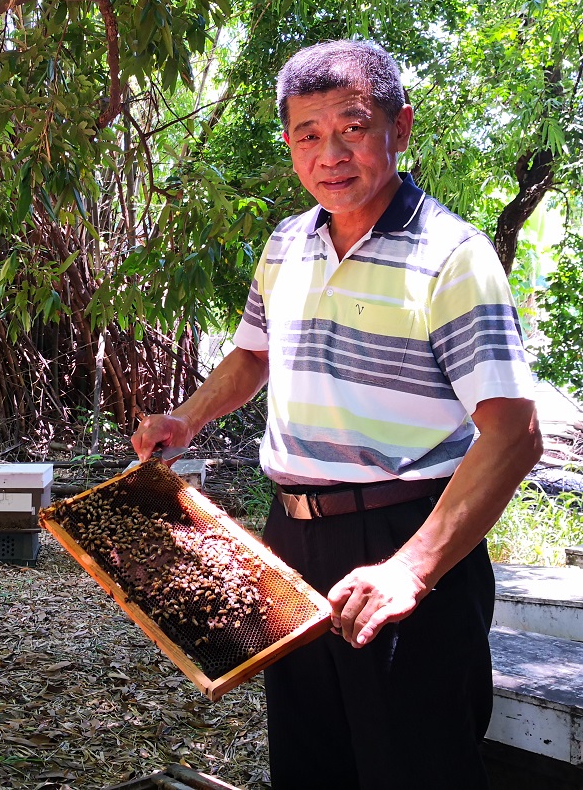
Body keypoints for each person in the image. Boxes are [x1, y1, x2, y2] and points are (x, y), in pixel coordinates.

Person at [131, 40, 542, 790]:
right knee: (311, 761)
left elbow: (514, 435)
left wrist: (410, 570)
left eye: (352, 128)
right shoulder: (288, 243)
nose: (331, 154)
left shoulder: (453, 256)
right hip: (290, 541)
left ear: (400, 128)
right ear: (289, 143)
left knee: (417, 769)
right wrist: (186, 419)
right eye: (308, 134)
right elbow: (254, 356)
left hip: (407, 535)